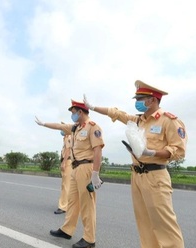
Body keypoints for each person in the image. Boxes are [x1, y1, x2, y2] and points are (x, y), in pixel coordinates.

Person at [84, 80, 187, 248]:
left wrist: (151, 153)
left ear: (153, 100)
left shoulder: (169, 121)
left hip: (155, 176)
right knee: (144, 222)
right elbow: (116, 113)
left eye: (140, 98)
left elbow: (178, 150)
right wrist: (93, 107)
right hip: (137, 176)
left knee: (164, 224)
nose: (137, 102)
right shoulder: (139, 120)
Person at [35, 99, 105, 248]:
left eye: (73, 113)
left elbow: (98, 151)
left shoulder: (93, 127)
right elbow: (59, 126)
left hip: (86, 168)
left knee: (87, 205)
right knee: (72, 202)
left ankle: (89, 239)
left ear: (80, 112)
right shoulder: (75, 128)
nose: (72, 116)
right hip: (74, 168)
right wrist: (44, 124)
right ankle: (67, 230)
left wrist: (95, 174)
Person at [54, 129, 73, 214]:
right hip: (67, 162)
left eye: (62, 129)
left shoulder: (68, 137)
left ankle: (63, 207)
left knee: (66, 185)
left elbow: (68, 150)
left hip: (68, 162)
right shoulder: (66, 137)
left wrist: (64, 163)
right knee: (66, 185)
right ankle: (68, 205)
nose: (61, 131)